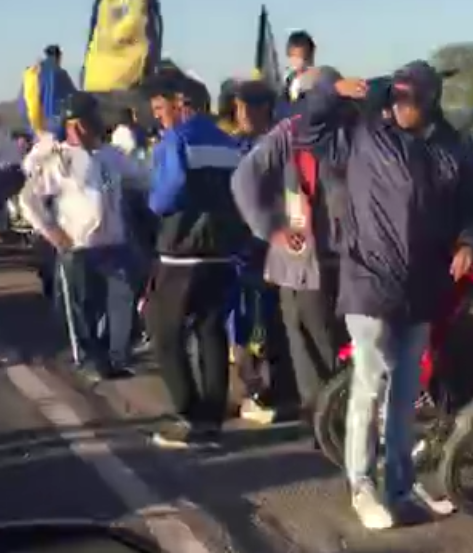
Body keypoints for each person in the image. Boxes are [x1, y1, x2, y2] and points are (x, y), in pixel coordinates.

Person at [298, 61, 473, 530]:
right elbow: (309, 127)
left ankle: (400, 488)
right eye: (396, 98)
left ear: (429, 102)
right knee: (371, 380)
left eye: (409, 100)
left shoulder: (454, 148)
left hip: (425, 285)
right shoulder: (363, 134)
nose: (399, 107)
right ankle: (362, 485)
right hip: (370, 279)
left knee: (405, 393)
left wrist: (470, 242)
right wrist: (329, 92)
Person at [232, 68, 348, 427]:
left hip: (334, 258)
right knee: (311, 344)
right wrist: (273, 228)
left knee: (326, 343)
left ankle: (331, 420)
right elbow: (244, 180)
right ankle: (326, 421)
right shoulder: (291, 133)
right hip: (303, 257)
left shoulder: (348, 132)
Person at [145, 72, 248, 448]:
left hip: (181, 252)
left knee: (165, 331)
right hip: (221, 251)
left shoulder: (177, 140)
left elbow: (164, 198)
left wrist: (151, 201)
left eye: (162, 108)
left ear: (182, 104)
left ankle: (187, 416)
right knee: (210, 332)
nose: (159, 116)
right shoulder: (228, 142)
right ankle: (212, 418)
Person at [18, 93, 149, 383]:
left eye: (95, 118)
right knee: (83, 309)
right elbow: (29, 199)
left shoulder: (110, 155)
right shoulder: (59, 161)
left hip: (115, 244)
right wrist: (52, 231)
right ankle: (91, 359)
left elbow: (142, 177)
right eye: (89, 120)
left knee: (122, 299)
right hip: (80, 247)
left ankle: (117, 358)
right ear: (73, 126)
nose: (96, 125)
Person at [224, 79, 299, 423]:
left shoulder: (280, 144)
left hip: (272, 248)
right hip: (245, 251)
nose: (239, 114)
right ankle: (258, 389)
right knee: (249, 323)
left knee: (269, 323)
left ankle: (273, 393)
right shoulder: (239, 144)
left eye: (245, 107)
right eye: (237, 107)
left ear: (262, 109)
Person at [21, 44, 78, 139]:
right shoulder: (60, 73)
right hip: (56, 126)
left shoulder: (33, 74)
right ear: (58, 56)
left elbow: (24, 101)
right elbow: (73, 97)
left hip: (36, 128)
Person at [282, 30, 317, 105]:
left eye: (304, 60)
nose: (299, 66)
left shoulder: (318, 86)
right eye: (294, 59)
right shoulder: (280, 85)